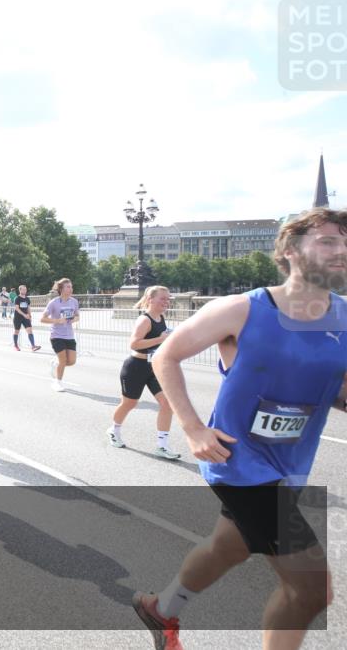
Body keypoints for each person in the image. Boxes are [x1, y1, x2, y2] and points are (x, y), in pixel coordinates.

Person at [132, 208, 347, 650]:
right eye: (327, 241)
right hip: (239, 462)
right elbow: (164, 356)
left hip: (289, 463)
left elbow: (336, 389)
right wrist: (192, 428)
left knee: (227, 547)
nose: (341, 250)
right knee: (309, 590)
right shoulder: (243, 309)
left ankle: (161, 609)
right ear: (289, 251)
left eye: (346, 242)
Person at [107, 285, 179, 459]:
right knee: (129, 404)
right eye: (163, 298)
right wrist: (161, 338)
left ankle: (162, 446)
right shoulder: (144, 320)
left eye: (168, 298)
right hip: (135, 367)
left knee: (167, 404)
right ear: (150, 299)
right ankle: (114, 430)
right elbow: (134, 344)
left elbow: (159, 342)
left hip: (154, 367)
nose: (167, 302)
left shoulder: (161, 316)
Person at [41, 278, 80, 392]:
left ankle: (55, 364)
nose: (71, 289)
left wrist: (74, 319)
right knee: (63, 361)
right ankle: (57, 382)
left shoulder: (74, 301)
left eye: (71, 287)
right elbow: (42, 319)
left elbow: (77, 316)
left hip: (69, 335)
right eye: (68, 287)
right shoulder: (54, 303)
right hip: (56, 335)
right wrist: (57, 321)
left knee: (71, 361)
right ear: (61, 289)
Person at [12, 285, 41, 351]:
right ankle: (16, 345)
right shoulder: (17, 298)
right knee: (16, 331)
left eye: (25, 289)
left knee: (30, 331)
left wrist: (30, 316)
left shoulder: (27, 299)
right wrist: (24, 315)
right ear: (20, 290)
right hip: (18, 317)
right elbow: (17, 308)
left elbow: (28, 308)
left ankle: (33, 346)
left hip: (26, 317)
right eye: (23, 289)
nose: (25, 291)